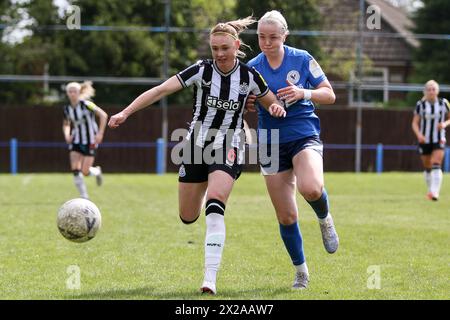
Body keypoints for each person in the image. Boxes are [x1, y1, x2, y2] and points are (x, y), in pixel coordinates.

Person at [108, 17, 286, 295]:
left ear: (237, 45)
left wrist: (275, 108)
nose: (219, 54)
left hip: (230, 142)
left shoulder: (249, 76)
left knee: (215, 204)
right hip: (194, 145)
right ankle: (205, 189)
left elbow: (271, 101)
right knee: (188, 216)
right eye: (215, 48)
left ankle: (209, 278)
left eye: (225, 48)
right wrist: (125, 112)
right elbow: (160, 90)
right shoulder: (200, 71)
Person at [246, 10, 339, 289]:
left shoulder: (302, 58)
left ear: (284, 36)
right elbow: (242, 101)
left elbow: (329, 94)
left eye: (273, 37)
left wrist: (303, 92)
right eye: (261, 37)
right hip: (270, 142)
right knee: (286, 215)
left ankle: (324, 218)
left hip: (302, 133)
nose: (266, 42)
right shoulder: (252, 68)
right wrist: (249, 104)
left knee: (311, 188)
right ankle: (301, 271)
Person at [63, 81, 107, 200]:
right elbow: (66, 124)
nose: (72, 94)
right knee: (75, 169)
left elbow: (103, 115)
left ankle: (96, 172)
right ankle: (84, 196)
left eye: (74, 91)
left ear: (79, 92)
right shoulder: (67, 109)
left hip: (91, 140)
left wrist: (100, 133)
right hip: (76, 140)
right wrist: (67, 134)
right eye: (70, 91)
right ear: (67, 93)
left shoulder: (87, 104)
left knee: (85, 171)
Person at [412, 80, 450, 201]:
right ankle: (430, 190)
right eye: (429, 89)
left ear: (437, 91)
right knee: (427, 166)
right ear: (425, 91)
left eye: (434, 89)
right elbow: (414, 123)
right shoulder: (420, 105)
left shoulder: (444, 103)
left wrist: (444, 124)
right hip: (425, 139)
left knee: (436, 163)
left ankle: (435, 193)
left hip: (439, 138)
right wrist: (419, 135)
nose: (431, 91)